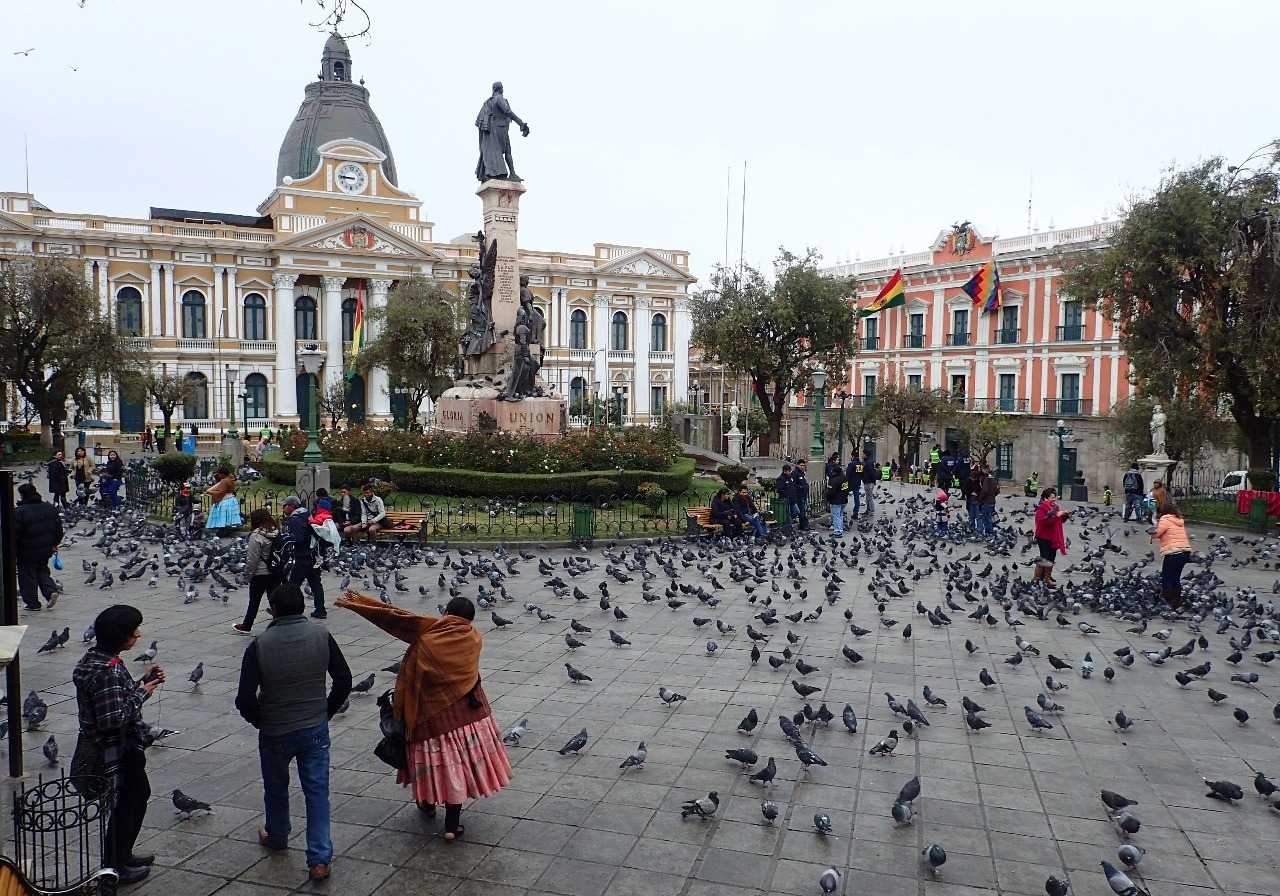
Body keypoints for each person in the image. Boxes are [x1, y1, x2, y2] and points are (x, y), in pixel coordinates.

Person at [335, 591, 513, 842]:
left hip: (430, 718)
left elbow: (398, 620)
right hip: (467, 715)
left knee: (433, 765)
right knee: (458, 768)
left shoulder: (428, 639)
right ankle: (452, 826)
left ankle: (427, 805)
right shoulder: (474, 637)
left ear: (447, 614)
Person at [235, 583, 352, 882]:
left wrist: (261, 720)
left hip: (275, 729)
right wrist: (325, 710)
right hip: (314, 727)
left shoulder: (259, 645)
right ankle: (319, 860)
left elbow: (244, 697)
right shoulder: (322, 636)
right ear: (302, 606)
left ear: (273, 610)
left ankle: (277, 835)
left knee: (275, 787)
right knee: (317, 792)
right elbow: (344, 679)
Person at [73, 604, 165, 886]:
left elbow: (111, 699)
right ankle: (115, 867)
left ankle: (122, 854)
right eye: (133, 630)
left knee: (136, 797)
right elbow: (113, 718)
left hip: (111, 746)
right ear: (120, 636)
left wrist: (139, 683)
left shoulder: (94, 660)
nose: (138, 634)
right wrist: (142, 692)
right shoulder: (109, 671)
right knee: (129, 802)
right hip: (119, 749)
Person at [14, 482, 63, 611]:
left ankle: (33, 603)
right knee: (42, 570)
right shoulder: (49, 507)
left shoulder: (19, 512)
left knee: (27, 576)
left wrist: (13, 552)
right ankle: (50, 591)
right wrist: (55, 543)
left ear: (22, 495)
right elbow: (58, 529)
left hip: (26, 551)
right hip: (45, 548)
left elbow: (15, 535)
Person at [235, 509, 281, 634]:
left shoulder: (256, 536)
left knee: (254, 601)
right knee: (274, 600)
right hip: (274, 571)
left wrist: (247, 577)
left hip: (260, 573)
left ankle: (246, 626)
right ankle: (282, 624)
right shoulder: (275, 532)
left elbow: (252, 559)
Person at [475, 81, 530, 182]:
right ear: (500, 88)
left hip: (496, 130)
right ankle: (510, 173)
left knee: (503, 151)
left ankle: (509, 173)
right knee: (506, 151)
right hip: (500, 129)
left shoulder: (489, 102)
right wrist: (521, 123)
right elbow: (507, 111)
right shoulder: (499, 98)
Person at [283, 496, 326, 618]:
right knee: (316, 584)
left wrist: (289, 537)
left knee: (292, 585)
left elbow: (299, 538)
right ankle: (320, 610)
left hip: (303, 556)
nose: (283, 508)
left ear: (292, 506)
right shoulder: (306, 515)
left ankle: (287, 610)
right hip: (313, 555)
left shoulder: (295, 519)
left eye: (285, 506)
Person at [1150, 503, 1191, 609]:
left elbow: (1157, 533)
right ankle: (1176, 601)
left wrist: (1151, 531)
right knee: (1176, 579)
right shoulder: (1178, 520)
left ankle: (1166, 602)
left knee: (1167, 578)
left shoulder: (1165, 519)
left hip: (1173, 553)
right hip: (1185, 552)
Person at [1033, 488, 1070, 587]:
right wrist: (1057, 516)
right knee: (1044, 558)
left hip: (1053, 537)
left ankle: (1047, 579)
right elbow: (1043, 522)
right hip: (1043, 536)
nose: (1054, 499)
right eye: (1052, 497)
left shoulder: (1055, 507)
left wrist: (1065, 515)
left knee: (1051, 558)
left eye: (1055, 497)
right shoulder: (1042, 508)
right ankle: (1036, 579)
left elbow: (1059, 521)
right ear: (1046, 498)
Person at [825, 464, 850, 536]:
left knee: (836, 516)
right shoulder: (845, 477)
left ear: (835, 472)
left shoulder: (834, 480)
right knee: (840, 515)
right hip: (844, 500)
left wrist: (828, 498)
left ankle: (838, 531)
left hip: (836, 501)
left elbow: (831, 492)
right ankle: (840, 528)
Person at [977, 467, 999, 535]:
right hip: (992, 501)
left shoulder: (986, 480)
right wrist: (992, 496)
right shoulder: (994, 480)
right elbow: (997, 491)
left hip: (987, 502)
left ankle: (989, 532)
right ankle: (992, 530)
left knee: (986, 518)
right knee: (991, 517)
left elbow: (985, 491)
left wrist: (981, 498)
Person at [774, 465, 795, 533]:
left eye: (790, 471)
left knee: (796, 511)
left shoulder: (790, 478)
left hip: (792, 498)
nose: (790, 472)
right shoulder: (781, 479)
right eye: (789, 471)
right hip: (785, 499)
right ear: (785, 471)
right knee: (787, 513)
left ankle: (789, 523)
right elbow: (779, 489)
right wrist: (786, 494)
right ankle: (789, 527)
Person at [791, 460, 810, 530]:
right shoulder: (795, 473)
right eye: (801, 465)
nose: (802, 467)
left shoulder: (802, 473)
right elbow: (793, 484)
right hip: (799, 495)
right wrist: (800, 487)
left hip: (803, 494)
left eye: (803, 465)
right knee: (801, 510)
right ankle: (804, 525)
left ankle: (806, 524)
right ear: (798, 465)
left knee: (803, 510)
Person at [846, 454, 866, 520]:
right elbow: (863, 474)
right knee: (857, 498)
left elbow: (848, 474)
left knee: (843, 495)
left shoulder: (851, 464)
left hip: (850, 482)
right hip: (857, 482)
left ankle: (841, 509)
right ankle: (856, 512)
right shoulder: (861, 464)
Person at [860, 452, 878, 517]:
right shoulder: (869, 462)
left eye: (863, 454)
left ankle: (871, 510)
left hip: (868, 482)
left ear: (866, 455)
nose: (862, 455)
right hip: (868, 481)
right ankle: (868, 510)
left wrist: (873, 480)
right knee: (868, 497)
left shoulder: (868, 463)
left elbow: (871, 473)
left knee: (869, 497)